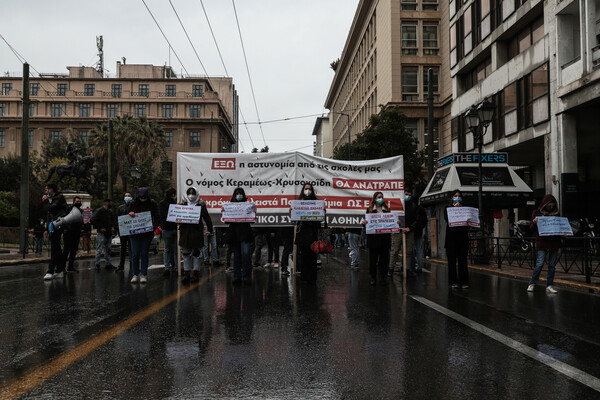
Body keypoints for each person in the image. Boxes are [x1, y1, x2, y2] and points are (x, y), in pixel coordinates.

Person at [527, 194, 563, 294]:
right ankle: (532, 283)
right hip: (542, 241)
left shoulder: (556, 214)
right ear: (545, 204)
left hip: (554, 242)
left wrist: (564, 233)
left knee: (552, 265)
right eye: (549, 205)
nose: (551, 207)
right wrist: (534, 222)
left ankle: (549, 285)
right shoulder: (537, 212)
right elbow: (531, 228)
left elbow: (559, 227)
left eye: (552, 205)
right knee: (539, 264)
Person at [179, 187, 213, 284]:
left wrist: (210, 230)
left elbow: (207, 218)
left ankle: (195, 273)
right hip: (185, 232)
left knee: (197, 254)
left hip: (196, 232)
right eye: (189, 193)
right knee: (185, 253)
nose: (191, 195)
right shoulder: (183, 205)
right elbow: (177, 216)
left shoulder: (201, 206)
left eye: (193, 193)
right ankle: (186, 274)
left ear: (196, 194)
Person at [294, 183, 326, 284]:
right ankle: (304, 278)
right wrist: (291, 212)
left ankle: (312, 278)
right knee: (303, 257)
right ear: (303, 190)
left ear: (312, 190)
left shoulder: (316, 203)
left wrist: (323, 213)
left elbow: (322, 221)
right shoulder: (299, 202)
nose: (307, 190)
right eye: (306, 189)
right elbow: (294, 220)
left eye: (309, 189)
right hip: (303, 233)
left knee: (312, 258)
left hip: (313, 233)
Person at [128, 187, 160, 284]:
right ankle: (135, 274)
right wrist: (130, 213)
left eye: (144, 197)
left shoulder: (152, 204)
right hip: (135, 233)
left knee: (144, 253)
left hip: (147, 234)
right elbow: (125, 216)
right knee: (135, 254)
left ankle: (143, 274)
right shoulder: (132, 204)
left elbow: (157, 217)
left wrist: (153, 228)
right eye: (141, 197)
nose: (143, 198)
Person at [223, 187, 254, 285]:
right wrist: (224, 212)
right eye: (237, 193)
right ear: (234, 195)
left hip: (245, 234)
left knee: (245, 255)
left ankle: (246, 277)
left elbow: (252, 221)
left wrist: (253, 213)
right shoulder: (230, 206)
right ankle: (237, 277)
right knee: (236, 256)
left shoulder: (248, 206)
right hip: (234, 235)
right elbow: (226, 221)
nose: (239, 195)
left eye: (241, 193)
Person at [363, 191, 393, 286]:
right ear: (375, 199)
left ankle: (383, 277)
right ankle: (373, 277)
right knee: (373, 260)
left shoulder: (387, 210)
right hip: (374, 239)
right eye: (379, 197)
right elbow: (366, 225)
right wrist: (364, 223)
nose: (381, 198)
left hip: (384, 239)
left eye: (382, 197)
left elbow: (391, 222)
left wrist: (397, 223)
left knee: (384, 260)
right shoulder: (370, 210)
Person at [444, 190, 470, 289]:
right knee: (452, 262)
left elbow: (468, 221)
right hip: (451, 239)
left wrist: (469, 224)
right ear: (452, 198)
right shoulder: (447, 208)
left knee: (463, 261)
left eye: (459, 196)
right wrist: (454, 209)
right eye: (455, 196)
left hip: (462, 239)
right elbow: (447, 218)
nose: (457, 197)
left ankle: (464, 282)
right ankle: (453, 281)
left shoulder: (465, 209)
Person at [42, 184, 68, 280]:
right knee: (56, 248)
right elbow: (49, 215)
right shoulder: (54, 199)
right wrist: (46, 229)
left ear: (51, 189)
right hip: (53, 225)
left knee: (54, 248)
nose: (45, 191)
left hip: (58, 225)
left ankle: (50, 271)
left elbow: (51, 208)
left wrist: (45, 201)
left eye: (46, 189)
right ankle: (60, 270)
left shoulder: (59, 197)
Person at [158, 188, 178, 277]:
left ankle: (167, 267)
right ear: (173, 195)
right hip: (173, 227)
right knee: (175, 249)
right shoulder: (174, 204)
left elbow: (162, 215)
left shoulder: (162, 203)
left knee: (167, 249)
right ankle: (176, 267)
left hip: (166, 228)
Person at [92, 198, 116, 270]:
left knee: (108, 249)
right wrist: (100, 227)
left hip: (108, 232)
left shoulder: (110, 212)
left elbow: (113, 220)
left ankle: (108, 263)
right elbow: (93, 220)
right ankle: (97, 264)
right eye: (110, 203)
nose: (111, 204)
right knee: (99, 249)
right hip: (101, 233)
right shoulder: (99, 211)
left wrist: (112, 227)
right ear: (107, 203)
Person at [63, 196, 83, 272]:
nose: (78, 203)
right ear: (73, 201)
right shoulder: (69, 208)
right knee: (66, 250)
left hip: (76, 232)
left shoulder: (80, 210)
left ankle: (70, 266)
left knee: (74, 250)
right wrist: (65, 228)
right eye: (77, 201)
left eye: (79, 201)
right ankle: (63, 267)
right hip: (69, 232)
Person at [115, 192, 133, 271]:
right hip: (123, 231)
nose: (127, 197)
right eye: (126, 196)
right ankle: (121, 265)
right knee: (123, 248)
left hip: (132, 231)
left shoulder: (134, 207)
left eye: (128, 196)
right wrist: (117, 229)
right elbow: (117, 219)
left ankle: (132, 264)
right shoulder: (120, 208)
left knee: (131, 248)